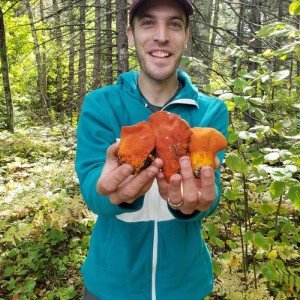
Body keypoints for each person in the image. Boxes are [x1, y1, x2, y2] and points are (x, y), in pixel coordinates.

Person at [75, 0, 229, 299]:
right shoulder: (102, 104)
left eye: (174, 23)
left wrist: (196, 204)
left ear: (186, 34)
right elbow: (93, 187)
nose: (161, 35)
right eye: (148, 22)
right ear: (130, 33)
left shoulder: (210, 112)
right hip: (111, 284)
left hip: (184, 285)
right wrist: (112, 194)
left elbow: (209, 192)